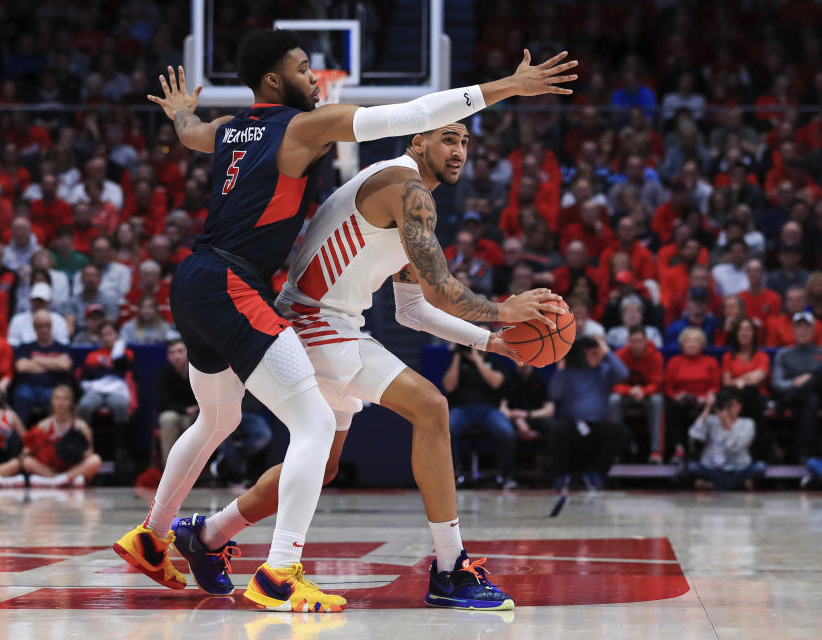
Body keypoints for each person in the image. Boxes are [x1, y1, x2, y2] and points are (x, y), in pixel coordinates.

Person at [115, 30, 576, 614]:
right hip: (303, 316)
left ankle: (198, 536)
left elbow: (411, 309)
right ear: (420, 140)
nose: (459, 150)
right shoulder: (396, 183)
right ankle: (444, 569)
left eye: (465, 142)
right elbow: (439, 277)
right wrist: (507, 87)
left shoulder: (245, 132)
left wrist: (492, 341)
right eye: (448, 137)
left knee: (282, 444)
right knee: (425, 409)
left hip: (245, 293)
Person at [548, 336, 631, 490]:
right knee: (556, 429)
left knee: (621, 432)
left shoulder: (605, 371)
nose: (597, 356)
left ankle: (596, 474)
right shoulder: (570, 370)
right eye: (593, 353)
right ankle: (560, 476)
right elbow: (554, 394)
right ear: (584, 354)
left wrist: (606, 352)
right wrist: (560, 371)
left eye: (598, 353)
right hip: (572, 424)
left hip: (597, 424)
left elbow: (623, 374)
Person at [443, 343, 517, 488]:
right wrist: (457, 355)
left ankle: (504, 476)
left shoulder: (495, 361)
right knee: (445, 432)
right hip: (462, 409)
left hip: (489, 410)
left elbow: (496, 383)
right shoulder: (459, 361)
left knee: (507, 432)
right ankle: (454, 475)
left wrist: (477, 358)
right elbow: (449, 386)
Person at [771, 311, 822, 462]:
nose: (802, 331)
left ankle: (805, 455)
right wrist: (795, 382)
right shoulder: (784, 354)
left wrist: (810, 378)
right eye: (799, 327)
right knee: (810, 398)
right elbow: (777, 383)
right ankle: (807, 454)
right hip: (793, 399)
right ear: (793, 330)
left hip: (819, 399)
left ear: (813, 330)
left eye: (806, 327)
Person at [683, 388, 767, 490]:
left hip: (738, 468)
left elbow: (736, 448)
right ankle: (738, 484)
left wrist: (728, 427)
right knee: (692, 467)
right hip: (713, 468)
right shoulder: (712, 420)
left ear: (740, 406)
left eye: (732, 405)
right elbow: (694, 435)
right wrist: (708, 408)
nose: (729, 408)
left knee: (759, 467)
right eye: (726, 405)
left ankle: (712, 485)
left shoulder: (748, 423)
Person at [22, 385, 102, 487]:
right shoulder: (43, 425)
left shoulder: (81, 426)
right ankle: (62, 480)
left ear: (71, 402)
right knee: (27, 461)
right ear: (52, 401)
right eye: (57, 399)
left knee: (95, 460)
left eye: (65, 399)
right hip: (52, 468)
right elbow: (27, 450)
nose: (61, 403)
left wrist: (74, 451)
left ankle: (60, 480)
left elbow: (89, 454)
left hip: (74, 467)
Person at [664, 327, 720, 463]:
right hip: (681, 399)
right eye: (688, 340)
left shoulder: (710, 361)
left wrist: (707, 396)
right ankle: (679, 449)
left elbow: (715, 386)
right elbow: (668, 388)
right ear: (682, 344)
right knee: (672, 407)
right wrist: (677, 396)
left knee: (709, 407)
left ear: (702, 344)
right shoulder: (674, 362)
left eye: (696, 340)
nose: (692, 344)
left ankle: (700, 451)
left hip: (703, 399)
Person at [610, 327, 665, 463]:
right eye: (634, 341)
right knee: (613, 400)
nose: (637, 345)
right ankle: (614, 451)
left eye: (640, 341)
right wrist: (630, 391)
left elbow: (657, 384)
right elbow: (612, 384)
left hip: (646, 396)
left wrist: (643, 391)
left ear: (646, 341)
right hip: (627, 395)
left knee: (657, 400)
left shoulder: (655, 356)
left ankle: (656, 452)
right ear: (628, 342)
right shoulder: (619, 355)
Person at [721, 317, 773, 462]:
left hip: (758, 397)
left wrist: (737, 380)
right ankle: (764, 454)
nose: (744, 333)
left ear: (753, 334)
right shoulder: (727, 357)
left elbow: (758, 379)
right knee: (743, 396)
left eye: (748, 330)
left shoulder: (761, 356)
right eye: (741, 330)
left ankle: (755, 454)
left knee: (750, 392)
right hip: (734, 398)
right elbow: (726, 382)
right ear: (736, 334)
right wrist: (747, 377)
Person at [11, 310, 73, 424]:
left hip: (52, 387)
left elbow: (64, 365)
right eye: (40, 326)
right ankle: (18, 439)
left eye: (47, 325)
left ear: (51, 326)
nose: (44, 329)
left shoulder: (61, 347)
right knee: (22, 396)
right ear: (34, 328)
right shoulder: (26, 347)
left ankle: (55, 437)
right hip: (28, 387)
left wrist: (37, 360)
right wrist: (53, 363)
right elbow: (21, 367)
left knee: (57, 398)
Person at [77, 321, 133, 427]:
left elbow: (121, 364)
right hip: (96, 390)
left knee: (121, 405)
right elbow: (85, 377)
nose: (106, 338)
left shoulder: (125, 353)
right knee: (84, 406)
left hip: (117, 390)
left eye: (110, 334)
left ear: (116, 334)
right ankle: (86, 438)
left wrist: (118, 345)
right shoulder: (92, 355)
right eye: (103, 335)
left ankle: (120, 442)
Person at [155, 339, 199, 467]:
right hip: (176, 413)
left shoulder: (198, 371)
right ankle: (169, 469)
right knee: (167, 418)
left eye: (180, 351)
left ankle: (192, 470)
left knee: (193, 424)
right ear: (168, 357)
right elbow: (161, 403)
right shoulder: (163, 374)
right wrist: (185, 409)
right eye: (172, 353)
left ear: (188, 352)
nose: (176, 356)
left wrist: (197, 409)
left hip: (197, 415)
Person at [7, 283, 70, 348]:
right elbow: (12, 344)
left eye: (42, 301)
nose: (39, 303)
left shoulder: (59, 320)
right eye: (36, 300)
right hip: (24, 356)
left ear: (49, 302)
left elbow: (64, 345)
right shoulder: (17, 320)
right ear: (31, 300)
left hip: (53, 356)